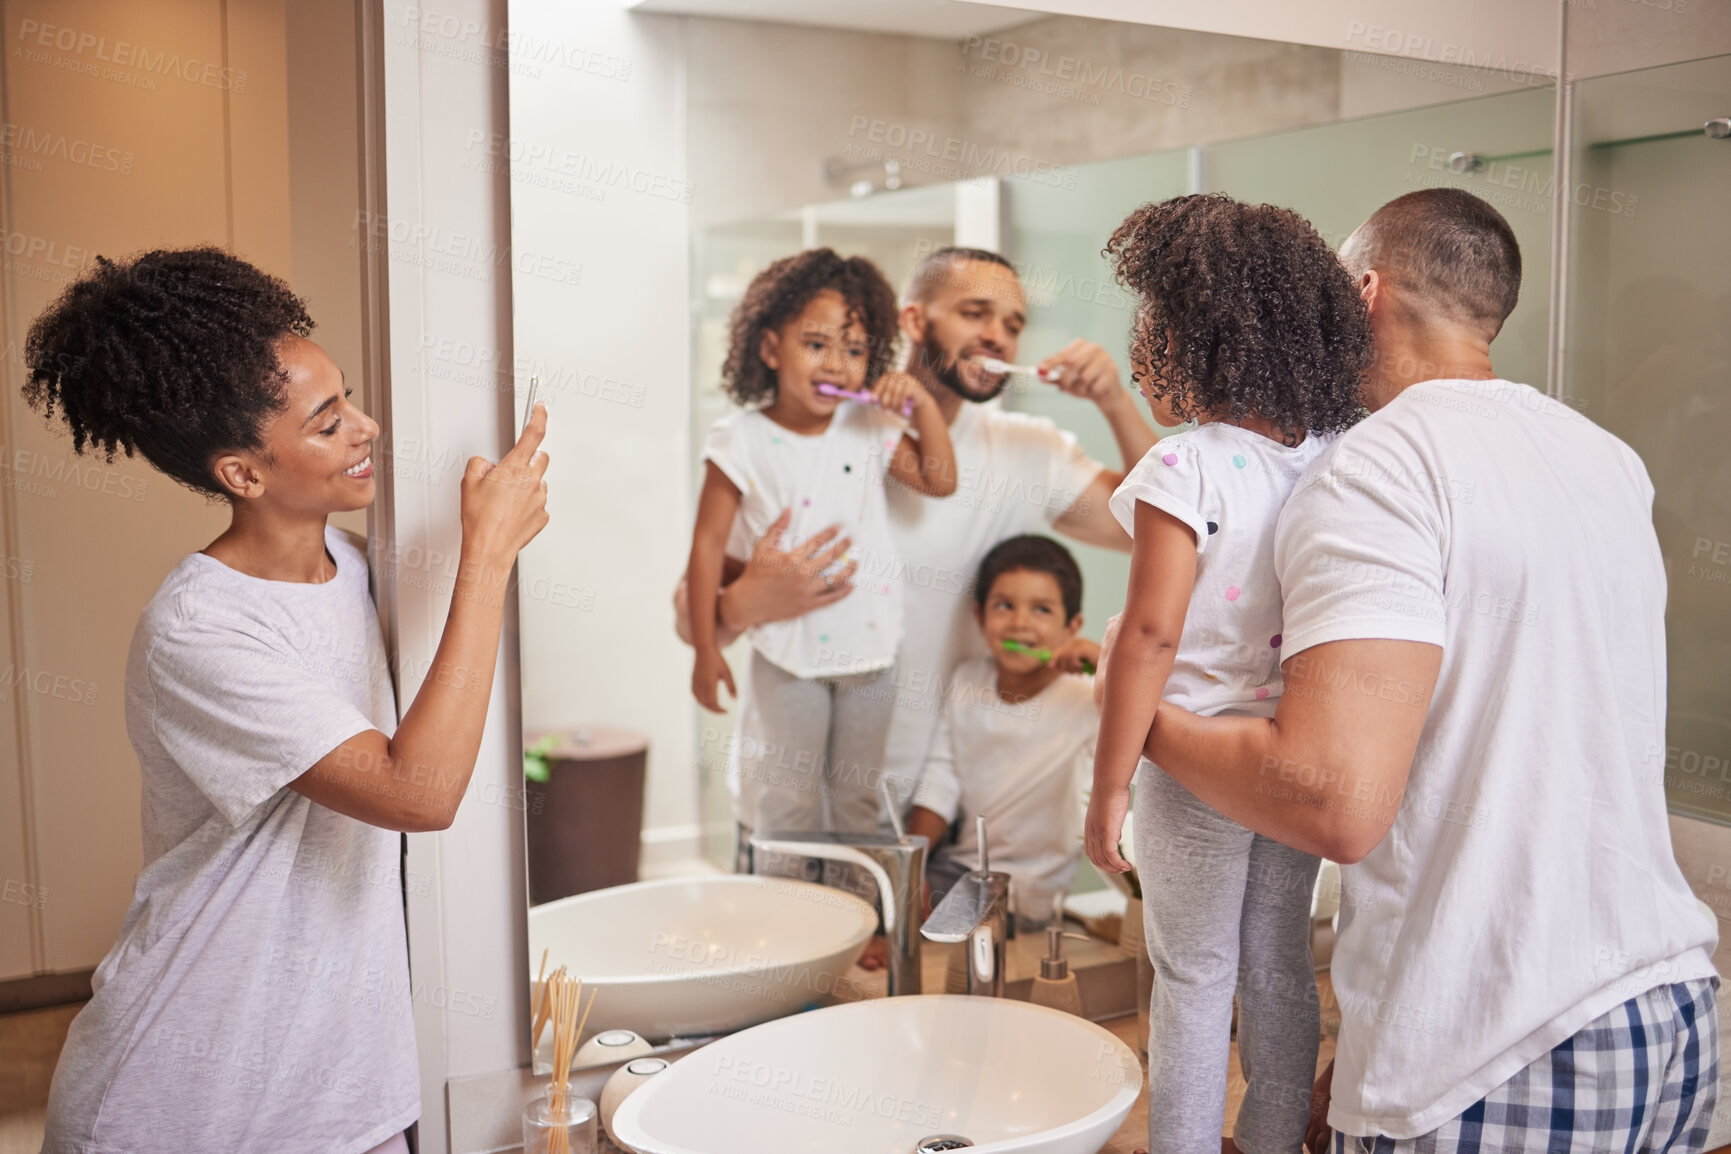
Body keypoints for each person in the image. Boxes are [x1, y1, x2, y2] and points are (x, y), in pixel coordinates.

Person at [1106, 188, 1721, 1153]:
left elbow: (1332, 805)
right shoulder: (1603, 458)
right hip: (1665, 1012)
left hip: (1492, 1047)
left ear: (1361, 290)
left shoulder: (1375, 469)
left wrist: (1134, 710)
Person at [26, 248, 550, 1153]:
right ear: (243, 475)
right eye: (328, 421)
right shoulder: (200, 630)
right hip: (187, 1103)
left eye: (348, 399)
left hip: (349, 1095)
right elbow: (415, 794)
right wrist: (489, 558)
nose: (368, 427)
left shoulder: (354, 565)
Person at [1083, 194, 1373, 1154]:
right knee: (1280, 965)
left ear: (1196, 338)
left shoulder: (1186, 467)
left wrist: (1108, 784)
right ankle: (1273, 1136)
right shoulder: (1335, 459)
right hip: (1287, 753)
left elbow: (1149, 639)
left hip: (1199, 764)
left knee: (1193, 973)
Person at [681, 246, 1156, 818]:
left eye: (1012, 324)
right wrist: (742, 605)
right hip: (786, 794)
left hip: (936, 802)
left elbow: (1158, 531)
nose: (998, 337)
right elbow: (690, 612)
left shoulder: (1030, 452)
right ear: (912, 320)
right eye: (975, 313)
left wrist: (1115, 402)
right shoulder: (801, 436)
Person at [687, 248, 956, 839]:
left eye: (855, 350)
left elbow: (940, 478)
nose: (836, 363)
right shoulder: (739, 438)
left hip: (872, 653)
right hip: (788, 657)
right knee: (789, 807)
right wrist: (707, 652)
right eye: (816, 344)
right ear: (769, 349)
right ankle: (793, 928)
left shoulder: (871, 427)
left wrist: (921, 408)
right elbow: (707, 547)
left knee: (860, 804)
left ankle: (855, 931)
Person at [907, 534, 1101, 922]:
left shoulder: (1090, 700)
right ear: (979, 617)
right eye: (1004, 606)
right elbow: (941, 779)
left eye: (1042, 610)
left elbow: (1152, 718)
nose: (1019, 623)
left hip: (1034, 887)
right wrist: (911, 866)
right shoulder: (967, 680)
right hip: (960, 869)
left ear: (1072, 627)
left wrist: (1108, 664)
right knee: (884, 908)